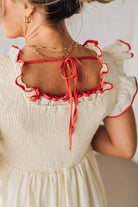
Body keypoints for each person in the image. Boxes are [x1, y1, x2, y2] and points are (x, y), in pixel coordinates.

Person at [0, 0, 137, 206]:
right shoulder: (106, 67)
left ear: (27, 6)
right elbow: (123, 148)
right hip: (80, 193)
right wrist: (75, 135)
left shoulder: (3, 77)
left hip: (22, 196)